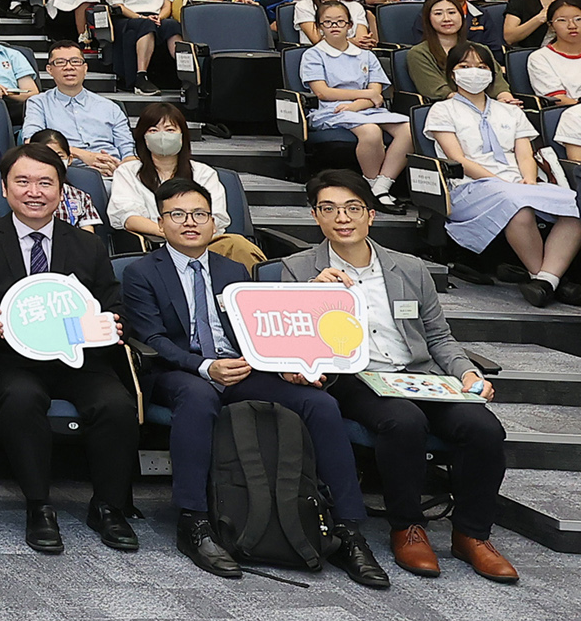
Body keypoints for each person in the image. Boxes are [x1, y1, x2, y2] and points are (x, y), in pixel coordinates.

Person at [122, 178, 387, 585]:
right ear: (161, 223)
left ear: (214, 223)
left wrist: (282, 364)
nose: (189, 223)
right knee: (196, 398)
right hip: (179, 371)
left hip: (242, 368)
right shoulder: (141, 272)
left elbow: (262, 327)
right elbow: (153, 338)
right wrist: (204, 366)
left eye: (199, 214)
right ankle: (194, 521)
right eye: (177, 215)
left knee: (319, 403)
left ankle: (348, 528)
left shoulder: (234, 270)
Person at [280, 170, 517, 582]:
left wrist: (466, 371)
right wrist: (313, 294)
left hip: (416, 374)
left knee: (483, 428)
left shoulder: (408, 268)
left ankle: (472, 534)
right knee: (403, 421)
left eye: (353, 208)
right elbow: (293, 341)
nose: (342, 217)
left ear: (370, 215)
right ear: (316, 216)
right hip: (355, 378)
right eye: (329, 209)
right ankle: (408, 526)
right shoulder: (298, 269)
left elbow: (439, 336)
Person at [0, 143, 139, 554]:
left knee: (116, 404)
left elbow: (112, 304)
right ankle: (39, 505)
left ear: (60, 190)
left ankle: (108, 506)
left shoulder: (87, 245)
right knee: (22, 399)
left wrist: (109, 323)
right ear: (4, 189)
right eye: (22, 181)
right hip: (10, 359)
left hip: (79, 357)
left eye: (45, 182)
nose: (33, 191)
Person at [425, 44, 581, 307]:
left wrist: (530, 181)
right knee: (516, 205)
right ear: (452, 73)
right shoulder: (443, 110)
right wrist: (501, 183)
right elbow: (458, 158)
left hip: (518, 183)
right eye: (465, 67)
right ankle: (545, 277)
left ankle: (545, 282)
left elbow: (524, 155)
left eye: (482, 67)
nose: (474, 72)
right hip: (470, 185)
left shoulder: (511, 111)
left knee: (573, 208)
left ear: (492, 73)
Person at [107, 102, 263, 265]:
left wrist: (190, 237)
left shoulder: (204, 173)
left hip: (205, 247)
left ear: (182, 136)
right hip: (157, 247)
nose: (162, 136)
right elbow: (128, 218)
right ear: (143, 138)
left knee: (239, 246)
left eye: (170, 130)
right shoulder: (128, 172)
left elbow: (216, 218)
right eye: (153, 130)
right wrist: (173, 234)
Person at [300, 1, 413, 210]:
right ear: (319, 27)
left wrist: (359, 104)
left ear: (350, 25)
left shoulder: (366, 55)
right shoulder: (313, 54)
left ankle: (381, 186)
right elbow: (323, 92)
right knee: (370, 132)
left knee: (409, 129)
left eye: (340, 21)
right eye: (327, 22)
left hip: (365, 108)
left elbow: (376, 91)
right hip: (332, 109)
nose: (334, 26)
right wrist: (366, 95)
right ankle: (371, 186)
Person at [21, 40, 134, 175]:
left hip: (112, 171)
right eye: (60, 62)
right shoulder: (38, 103)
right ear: (49, 70)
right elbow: (32, 143)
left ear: (85, 68)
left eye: (75, 61)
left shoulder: (110, 107)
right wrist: (82, 155)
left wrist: (122, 169)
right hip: (64, 172)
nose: (69, 67)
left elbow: (128, 151)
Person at [407, 0, 515, 103]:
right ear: (428, 19)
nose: (446, 18)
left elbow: (498, 83)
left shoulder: (479, 48)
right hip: (448, 107)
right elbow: (436, 90)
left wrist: (506, 99)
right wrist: (475, 103)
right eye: (438, 14)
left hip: (487, 104)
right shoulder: (419, 53)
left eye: (452, 12)